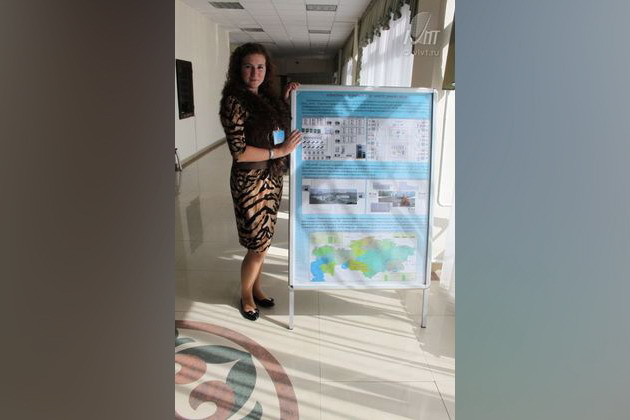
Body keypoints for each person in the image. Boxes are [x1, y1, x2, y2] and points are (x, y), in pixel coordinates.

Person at [219, 43, 301, 321]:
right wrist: (280, 152)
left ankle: (256, 288)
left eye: (260, 67)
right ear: (238, 69)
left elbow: (275, 127)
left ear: (267, 70)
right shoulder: (234, 102)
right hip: (250, 182)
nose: (255, 73)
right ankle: (245, 296)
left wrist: (285, 100)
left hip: (271, 178)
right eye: (248, 67)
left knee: (264, 241)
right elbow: (239, 151)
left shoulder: (266, 98)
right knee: (257, 245)